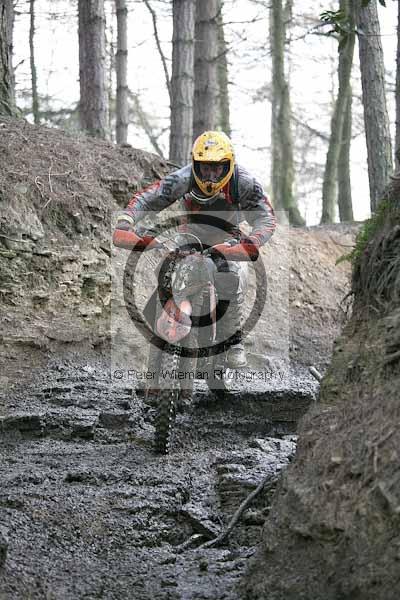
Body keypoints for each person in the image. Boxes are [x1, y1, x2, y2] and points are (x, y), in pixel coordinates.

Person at [114, 131, 276, 368]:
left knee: (230, 276)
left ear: (228, 165)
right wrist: (126, 221)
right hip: (189, 235)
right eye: (205, 168)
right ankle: (157, 343)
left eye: (217, 168)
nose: (210, 175)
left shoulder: (244, 183)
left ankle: (234, 342)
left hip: (227, 237)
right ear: (196, 164)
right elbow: (149, 198)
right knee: (166, 271)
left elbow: (266, 218)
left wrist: (251, 242)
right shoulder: (184, 177)